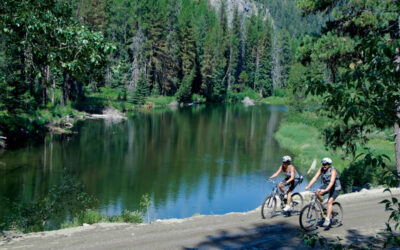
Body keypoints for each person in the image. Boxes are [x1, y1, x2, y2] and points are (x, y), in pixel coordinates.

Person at [305, 157, 342, 227]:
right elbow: (315, 178)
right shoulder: (321, 169)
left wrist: (325, 190)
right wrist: (308, 186)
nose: (324, 166)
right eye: (323, 164)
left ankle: (327, 220)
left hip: (335, 187)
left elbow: (331, 182)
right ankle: (325, 207)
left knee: (329, 202)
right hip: (326, 185)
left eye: (325, 164)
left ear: (329, 164)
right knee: (317, 192)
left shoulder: (333, 170)